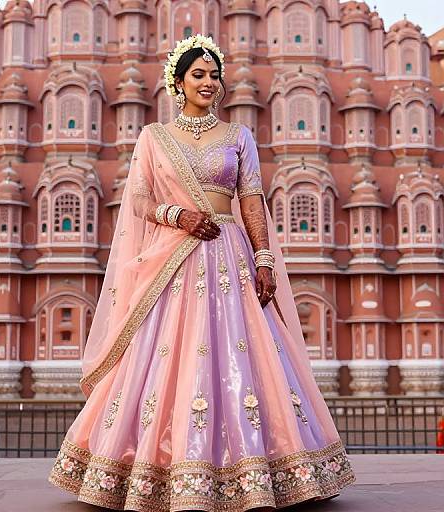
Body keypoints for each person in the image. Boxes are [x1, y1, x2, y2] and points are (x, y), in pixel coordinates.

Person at [49, 34, 355, 511]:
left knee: (243, 355)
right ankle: (153, 471)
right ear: (178, 82)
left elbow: (251, 199)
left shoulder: (238, 137)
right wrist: (179, 216)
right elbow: (140, 201)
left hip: (229, 253)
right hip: (174, 257)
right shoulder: (154, 138)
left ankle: (259, 469)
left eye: (214, 75)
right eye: (199, 74)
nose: (209, 82)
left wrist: (265, 258)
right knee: (167, 355)